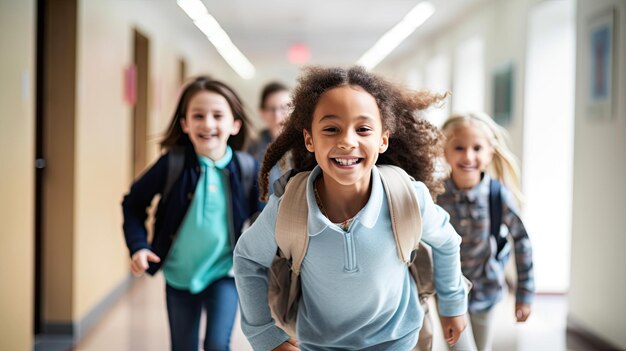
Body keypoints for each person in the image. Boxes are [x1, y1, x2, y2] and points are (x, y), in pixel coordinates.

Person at [233, 66, 469, 351]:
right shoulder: (289, 207)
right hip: (317, 344)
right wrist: (264, 335)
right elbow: (248, 259)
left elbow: (446, 242)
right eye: (331, 129)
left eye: (363, 129)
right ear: (310, 139)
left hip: (397, 340)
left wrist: (453, 303)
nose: (347, 141)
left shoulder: (407, 197)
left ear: (383, 139)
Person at [121, 76, 263, 351]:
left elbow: (267, 220)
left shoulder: (247, 169)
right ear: (185, 124)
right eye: (198, 116)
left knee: (216, 345)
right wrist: (138, 246)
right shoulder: (172, 164)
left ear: (235, 125)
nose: (208, 124)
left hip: (225, 272)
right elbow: (133, 204)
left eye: (218, 116)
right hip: (179, 274)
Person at [438, 112, 535, 351]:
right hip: (449, 295)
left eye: (477, 148)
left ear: (489, 152)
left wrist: (524, 293)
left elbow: (521, 240)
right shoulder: (435, 195)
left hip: (487, 292)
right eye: (459, 147)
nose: (468, 156)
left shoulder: (497, 195)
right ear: (444, 150)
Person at [247, 81, 292, 192]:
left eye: (284, 107)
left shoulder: (307, 145)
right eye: (271, 109)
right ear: (262, 112)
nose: (277, 116)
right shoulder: (252, 148)